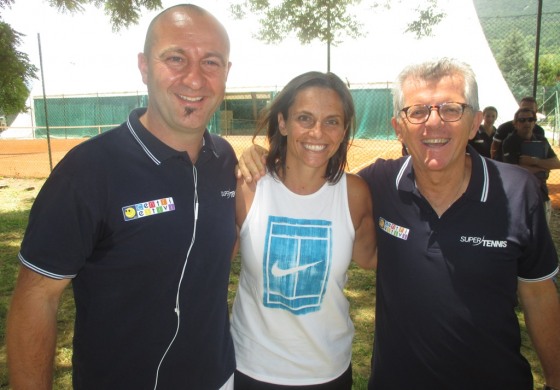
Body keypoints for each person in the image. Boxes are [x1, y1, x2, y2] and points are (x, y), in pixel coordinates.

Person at [238, 58, 560, 390]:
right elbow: (312, 196)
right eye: (417, 112)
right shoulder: (377, 185)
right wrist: (261, 157)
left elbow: (538, 295)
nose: (433, 124)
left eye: (451, 109)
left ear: (476, 122)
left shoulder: (518, 191)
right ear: (398, 127)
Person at [7, 5, 237, 389]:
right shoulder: (88, 171)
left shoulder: (225, 160)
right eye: (176, 58)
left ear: (227, 72)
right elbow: (36, 300)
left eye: (211, 62)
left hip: (217, 378)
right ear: (145, 66)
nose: (194, 79)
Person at [232, 71, 376, 389]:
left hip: (328, 371)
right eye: (305, 118)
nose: (317, 132)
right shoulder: (249, 186)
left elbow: (372, 258)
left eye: (332, 121)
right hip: (253, 367)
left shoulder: (354, 194)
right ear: (282, 123)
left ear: (343, 129)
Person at [502, 107, 560, 224]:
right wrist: (543, 169)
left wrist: (534, 161)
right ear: (516, 124)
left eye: (530, 119)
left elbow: (556, 163)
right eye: (522, 120)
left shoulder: (541, 140)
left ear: (534, 122)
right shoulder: (509, 142)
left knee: (542, 233)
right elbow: (513, 169)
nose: (527, 123)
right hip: (517, 195)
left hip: (541, 194)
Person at [490, 96, 546, 161]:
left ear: (536, 110)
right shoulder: (504, 128)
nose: (527, 111)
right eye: (524, 108)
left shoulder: (539, 131)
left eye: (530, 109)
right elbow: (494, 147)